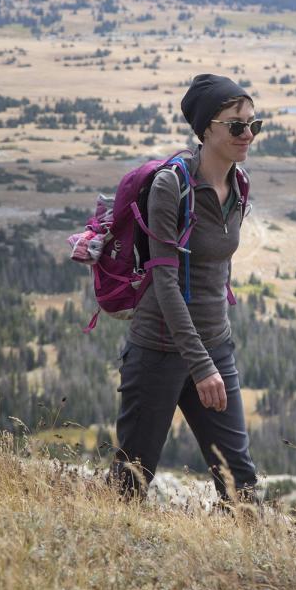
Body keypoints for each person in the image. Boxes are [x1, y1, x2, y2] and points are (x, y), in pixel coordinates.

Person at [109, 73, 262, 505]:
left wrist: (213, 355)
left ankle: (240, 572)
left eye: (254, 124)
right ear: (205, 129)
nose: (247, 134)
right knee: (129, 483)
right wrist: (201, 366)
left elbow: (215, 272)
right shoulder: (171, 186)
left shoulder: (239, 185)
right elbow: (166, 281)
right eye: (236, 125)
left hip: (215, 347)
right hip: (159, 350)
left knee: (241, 486)